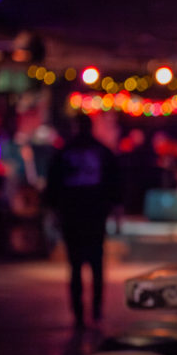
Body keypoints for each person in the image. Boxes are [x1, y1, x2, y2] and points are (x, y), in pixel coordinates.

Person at [44, 114, 121, 328]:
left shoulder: (64, 152)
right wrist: (115, 210)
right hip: (95, 215)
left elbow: (53, 184)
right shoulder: (102, 151)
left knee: (76, 266)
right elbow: (115, 183)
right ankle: (96, 311)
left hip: (73, 215)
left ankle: (79, 313)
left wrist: (54, 211)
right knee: (96, 265)